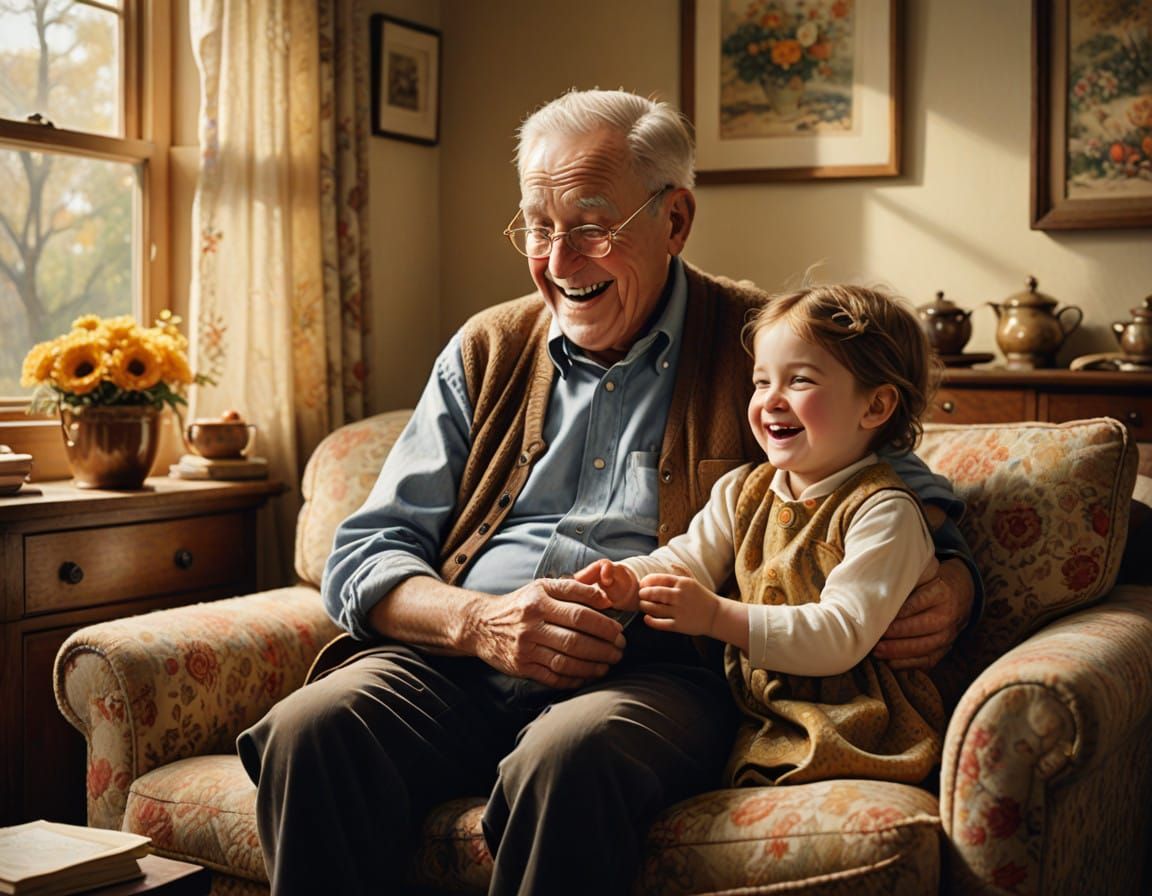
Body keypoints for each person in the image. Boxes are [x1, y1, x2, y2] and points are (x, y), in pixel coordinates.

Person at [236, 89, 979, 896]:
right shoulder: (486, 348)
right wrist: (478, 622)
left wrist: (956, 574)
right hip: (456, 660)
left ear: (675, 220)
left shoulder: (765, 346)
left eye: (590, 227)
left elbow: (887, 469)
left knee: (573, 755)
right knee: (310, 730)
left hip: (651, 674)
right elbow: (363, 555)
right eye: (538, 227)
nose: (558, 261)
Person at [577, 283, 950, 788]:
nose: (770, 401)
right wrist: (629, 580)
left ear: (876, 406)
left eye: (799, 381)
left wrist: (713, 616)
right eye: (760, 382)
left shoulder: (885, 513)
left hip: (852, 723)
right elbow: (687, 558)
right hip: (757, 715)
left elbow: (840, 634)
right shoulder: (743, 490)